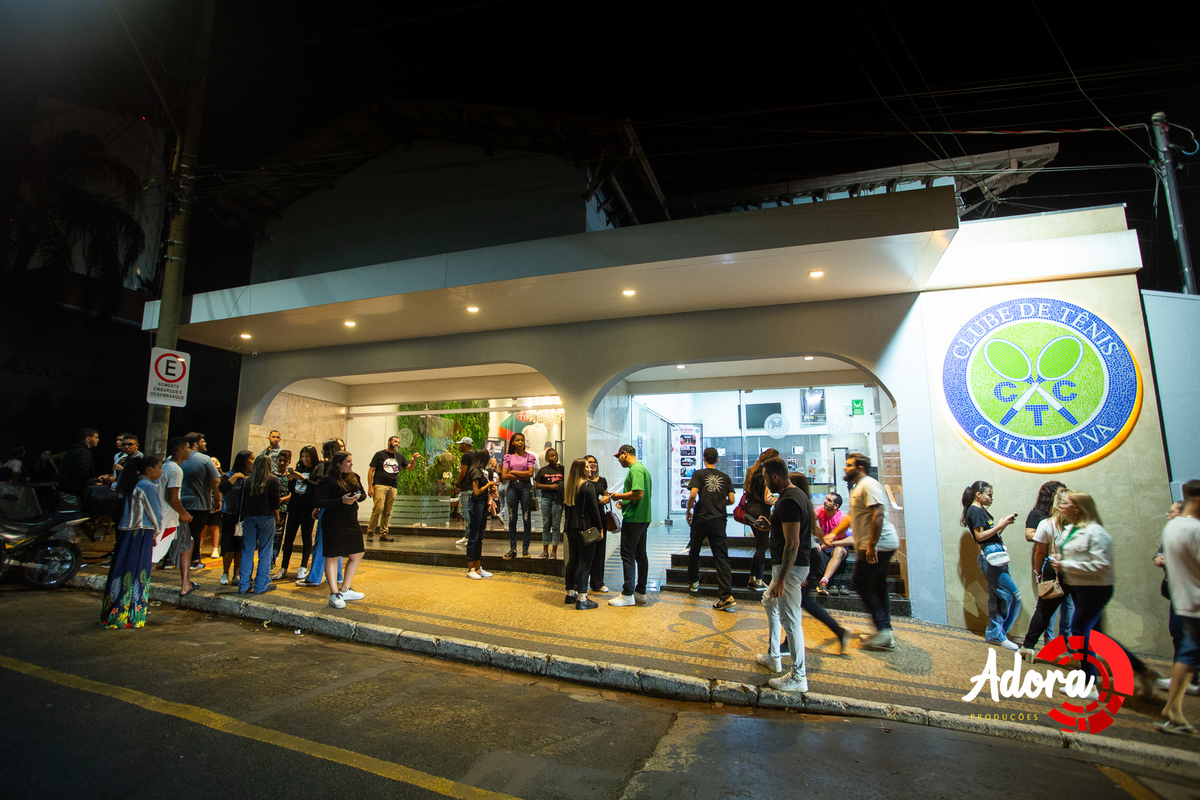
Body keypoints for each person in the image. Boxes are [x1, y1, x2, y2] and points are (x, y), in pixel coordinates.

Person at [1049, 490, 1160, 699]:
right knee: (1097, 637)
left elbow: (1101, 565)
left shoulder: (1096, 532)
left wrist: (1065, 565)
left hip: (1095, 589)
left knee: (1079, 631)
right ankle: (1144, 672)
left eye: (1065, 503)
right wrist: (1059, 559)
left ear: (1078, 508)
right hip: (1079, 587)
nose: (1061, 506)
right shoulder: (1070, 529)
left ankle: (1089, 685)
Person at [822, 452, 899, 650]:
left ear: (861, 468)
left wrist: (872, 546)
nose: (844, 467)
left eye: (849, 465)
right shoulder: (858, 487)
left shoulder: (869, 485)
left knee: (861, 583)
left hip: (879, 545)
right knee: (878, 585)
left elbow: (878, 515)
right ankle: (885, 632)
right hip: (878, 545)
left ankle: (884, 630)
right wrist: (834, 534)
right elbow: (851, 516)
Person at [754, 460, 811, 692]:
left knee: (791, 620)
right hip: (789, 566)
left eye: (766, 478)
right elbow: (789, 531)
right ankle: (774, 656)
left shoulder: (788, 501)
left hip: (790, 568)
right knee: (769, 602)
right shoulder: (793, 496)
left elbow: (793, 543)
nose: (765, 483)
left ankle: (798, 677)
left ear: (775, 476)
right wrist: (771, 526)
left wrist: (782, 579)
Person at [102, 456, 163, 629]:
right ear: (149, 469)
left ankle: (115, 615)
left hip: (126, 531)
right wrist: (157, 531)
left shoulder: (131, 483)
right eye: (159, 468)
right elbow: (155, 513)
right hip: (141, 532)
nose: (161, 471)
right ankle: (132, 616)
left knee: (122, 569)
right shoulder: (147, 486)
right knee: (137, 572)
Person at [1160, 480, 1200, 733]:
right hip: (1196, 600)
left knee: (1188, 652)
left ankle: (1173, 708)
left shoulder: (1172, 527)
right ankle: (1173, 708)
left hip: (1184, 599)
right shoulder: (1194, 529)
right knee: (1189, 652)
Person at [962, 480, 1021, 651]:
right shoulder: (975, 511)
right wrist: (1000, 525)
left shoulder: (980, 511)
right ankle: (1000, 633)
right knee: (1013, 595)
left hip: (994, 554)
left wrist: (1003, 525)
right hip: (990, 556)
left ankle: (995, 634)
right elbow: (980, 537)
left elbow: (989, 536)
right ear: (978, 495)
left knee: (997, 597)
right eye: (989, 495)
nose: (991, 498)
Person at [1018, 487, 1073, 659]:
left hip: (1054, 568)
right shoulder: (1079, 525)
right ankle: (1077, 648)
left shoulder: (1046, 524)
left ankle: (1028, 646)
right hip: (1077, 570)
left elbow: (1040, 552)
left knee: (1043, 610)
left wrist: (1038, 572)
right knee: (1076, 610)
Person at [313, 451, 367, 609]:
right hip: (333, 521)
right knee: (332, 556)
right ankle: (334, 593)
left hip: (351, 520)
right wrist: (340, 501)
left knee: (357, 553)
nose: (351, 464)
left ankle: (345, 589)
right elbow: (318, 501)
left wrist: (357, 497)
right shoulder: (328, 480)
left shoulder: (354, 477)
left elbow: (363, 494)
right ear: (338, 463)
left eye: (351, 461)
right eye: (348, 461)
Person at [685, 447, 735, 610]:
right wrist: (719, 503)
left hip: (701, 518)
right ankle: (726, 595)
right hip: (719, 520)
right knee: (721, 556)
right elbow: (732, 499)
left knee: (694, 550)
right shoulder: (725, 477)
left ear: (704, 458)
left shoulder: (699, 474)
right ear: (717, 459)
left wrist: (689, 511)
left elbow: (693, 494)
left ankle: (694, 582)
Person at [608, 444, 652, 607]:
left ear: (625, 454)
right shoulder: (643, 469)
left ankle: (627, 594)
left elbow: (638, 493)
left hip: (634, 519)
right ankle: (640, 592)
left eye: (619, 457)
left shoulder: (636, 470)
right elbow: (638, 496)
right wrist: (624, 503)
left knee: (627, 555)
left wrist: (618, 496)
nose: (619, 460)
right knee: (640, 554)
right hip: (643, 517)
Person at [300, 438, 345, 588]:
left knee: (320, 542)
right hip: (339, 508)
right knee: (335, 543)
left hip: (327, 507)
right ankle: (337, 575)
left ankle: (314, 576)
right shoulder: (342, 466)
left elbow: (321, 489)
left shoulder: (327, 466)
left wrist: (317, 507)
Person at [563, 457, 604, 609]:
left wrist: (566, 530)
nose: (590, 469)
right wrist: (600, 528)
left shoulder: (571, 486)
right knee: (585, 563)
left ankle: (570, 594)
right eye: (586, 466)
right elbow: (594, 510)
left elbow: (567, 510)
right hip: (585, 528)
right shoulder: (587, 486)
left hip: (572, 529)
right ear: (581, 470)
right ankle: (582, 598)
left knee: (573, 560)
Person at [238, 452, 281, 594]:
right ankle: (261, 585)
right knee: (265, 551)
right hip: (267, 517)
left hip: (249, 517)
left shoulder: (247, 481)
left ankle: (244, 584)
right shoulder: (273, 481)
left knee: (247, 550)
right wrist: (277, 516)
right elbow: (275, 502)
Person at [160, 437, 196, 596]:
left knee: (187, 542)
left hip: (164, 515)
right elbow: (172, 497)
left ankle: (186, 583)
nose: (190, 451)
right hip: (171, 516)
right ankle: (185, 584)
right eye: (187, 447)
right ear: (179, 450)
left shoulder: (165, 466)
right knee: (185, 544)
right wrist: (183, 513)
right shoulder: (176, 470)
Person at [277, 445, 319, 580]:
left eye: (307, 457)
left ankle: (303, 567)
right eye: (302, 456)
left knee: (306, 536)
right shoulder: (299, 468)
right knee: (289, 536)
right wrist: (291, 480)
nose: (304, 459)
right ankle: (284, 567)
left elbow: (318, 486)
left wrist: (304, 479)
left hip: (307, 506)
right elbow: (293, 489)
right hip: (295, 504)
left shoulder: (317, 469)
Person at [180, 432, 219, 574]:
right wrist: (218, 499)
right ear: (195, 444)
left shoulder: (174, 459)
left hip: (178, 502)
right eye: (203, 441)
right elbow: (215, 480)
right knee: (195, 532)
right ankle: (194, 559)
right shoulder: (205, 459)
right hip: (199, 503)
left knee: (177, 532)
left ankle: (170, 559)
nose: (205, 443)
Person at [367, 435, 417, 543]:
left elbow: (410, 468)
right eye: (395, 441)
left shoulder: (399, 457)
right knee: (378, 508)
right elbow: (371, 470)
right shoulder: (380, 454)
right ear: (389, 442)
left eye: (398, 442)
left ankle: (384, 533)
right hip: (380, 485)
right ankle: (370, 532)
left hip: (393, 486)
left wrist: (413, 460)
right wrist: (370, 487)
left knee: (387, 511)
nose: (397, 444)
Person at [742, 448, 779, 591]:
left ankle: (752, 579)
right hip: (761, 511)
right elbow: (767, 498)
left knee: (759, 546)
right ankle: (759, 580)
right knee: (762, 547)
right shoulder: (767, 473)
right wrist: (780, 500)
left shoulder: (752, 470)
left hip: (750, 509)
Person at [218, 451, 254, 586]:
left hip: (245, 515)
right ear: (243, 460)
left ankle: (236, 574)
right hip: (230, 514)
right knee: (229, 546)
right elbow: (222, 488)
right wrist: (234, 478)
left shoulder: (251, 477)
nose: (253, 462)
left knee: (240, 546)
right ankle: (225, 573)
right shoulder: (229, 475)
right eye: (251, 459)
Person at [501, 433, 538, 559]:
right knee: (512, 518)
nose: (520, 442)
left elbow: (530, 474)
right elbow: (504, 475)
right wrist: (521, 473)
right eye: (517, 440)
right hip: (512, 488)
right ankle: (513, 548)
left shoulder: (530, 457)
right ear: (513, 442)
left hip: (525, 488)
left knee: (526, 518)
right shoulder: (508, 457)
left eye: (522, 440)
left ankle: (525, 549)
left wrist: (513, 471)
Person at [465, 447, 495, 579]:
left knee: (480, 536)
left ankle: (478, 567)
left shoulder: (482, 472)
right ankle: (470, 568)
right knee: (474, 536)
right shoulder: (475, 471)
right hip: (476, 503)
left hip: (482, 504)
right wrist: (488, 485)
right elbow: (476, 491)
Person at [584, 455, 611, 594]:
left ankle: (598, 583)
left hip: (600, 517)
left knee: (600, 551)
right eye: (590, 462)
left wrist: (607, 498)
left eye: (594, 462)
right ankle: (580, 583)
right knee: (586, 551)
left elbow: (606, 494)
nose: (593, 464)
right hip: (587, 518)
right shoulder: (582, 481)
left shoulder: (602, 480)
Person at [57, 428, 100, 508]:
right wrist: (94, 485)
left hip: (67, 491)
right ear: (88, 439)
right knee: (76, 513)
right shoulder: (83, 452)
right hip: (73, 492)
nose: (98, 440)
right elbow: (82, 473)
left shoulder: (72, 451)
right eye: (96, 437)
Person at [815, 492, 848, 595]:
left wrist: (832, 543)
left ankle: (823, 582)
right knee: (813, 548)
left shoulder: (842, 518)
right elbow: (807, 523)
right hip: (823, 545)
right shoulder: (819, 511)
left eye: (829, 500)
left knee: (839, 550)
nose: (825, 501)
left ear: (836, 506)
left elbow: (853, 540)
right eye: (826, 498)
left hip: (838, 546)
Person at [535, 448, 565, 559]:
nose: (554, 457)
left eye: (556, 455)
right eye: (551, 456)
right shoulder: (543, 470)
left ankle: (554, 552)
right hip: (546, 499)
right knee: (546, 524)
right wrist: (550, 486)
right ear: (547, 458)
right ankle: (545, 551)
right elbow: (537, 485)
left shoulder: (562, 469)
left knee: (556, 525)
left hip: (557, 499)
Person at [454, 436, 475, 546]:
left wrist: (457, 483)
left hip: (466, 487)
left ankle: (471, 535)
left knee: (464, 510)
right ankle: (467, 535)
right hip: (472, 486)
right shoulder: (474, 455)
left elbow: (463, 472)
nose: (460, 446)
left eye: (461, 444)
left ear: (465, 445)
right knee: (468, 511)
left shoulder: (466, 456)